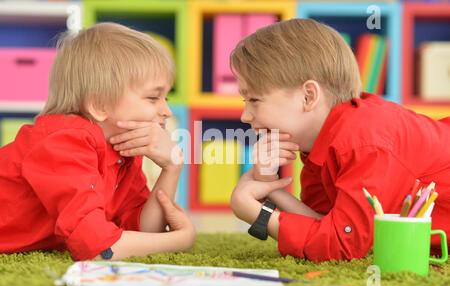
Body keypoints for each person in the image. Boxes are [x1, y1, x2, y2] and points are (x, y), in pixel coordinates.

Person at [229, 18, 450, 262]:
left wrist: (258, 214)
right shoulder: (322, 143)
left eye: (254, 100)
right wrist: (271, 186)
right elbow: (326, 223)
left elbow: (343, 247)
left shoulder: (364, 139)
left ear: (308, 96)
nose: (245, 116)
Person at [0, 23, 195, 261]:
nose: (166, 110)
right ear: (100, 106)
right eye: (153, 98)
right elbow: (99, 249)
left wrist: (172, 167)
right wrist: (179, 240)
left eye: (165, 97)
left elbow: (141, 231)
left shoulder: (121, 151)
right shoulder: (64, 143)